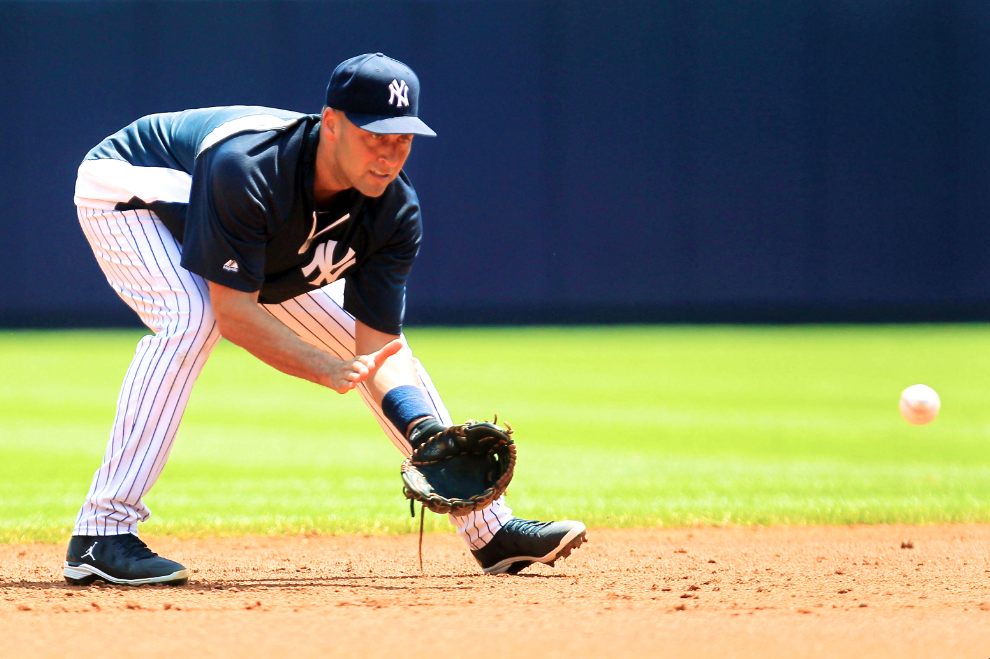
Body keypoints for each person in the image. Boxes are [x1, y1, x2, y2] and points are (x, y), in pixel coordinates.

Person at [63, 53, 586, 586]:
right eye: (374, 136)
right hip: (136, 193)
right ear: (331, 124)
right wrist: (320, 367)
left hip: (254, 231)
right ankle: (101, 532)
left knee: (363, 348)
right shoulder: (248, 167)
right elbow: (235, 314)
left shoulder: (393, 210)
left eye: (402, 140)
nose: (388, 155)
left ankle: (490, 532)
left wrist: (420, 427)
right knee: (193, 318)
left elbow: (379, 347)